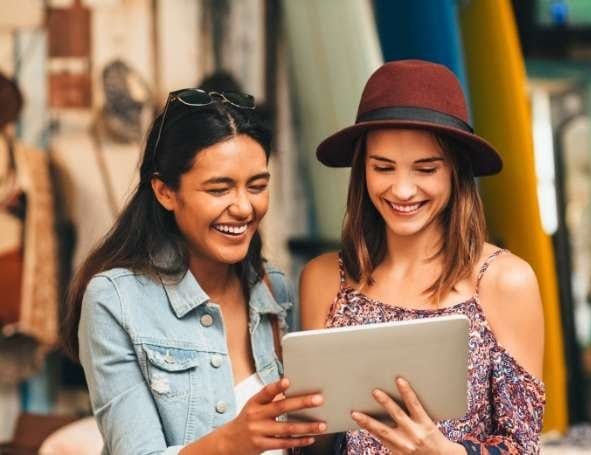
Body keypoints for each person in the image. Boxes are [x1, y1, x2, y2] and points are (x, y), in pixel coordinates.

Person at [60, 88, 326, 454]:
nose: (244, 208)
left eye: (258, 186)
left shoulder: (273, 288)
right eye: (219, 189)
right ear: (165, 192)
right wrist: (232, 442)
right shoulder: (115, 300)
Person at [300, 59, 545, 454]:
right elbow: (312, 443)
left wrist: (444, 452)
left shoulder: (504, 281)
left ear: (455, 172)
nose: (402, 189)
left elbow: (522, 445)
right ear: (362, 171)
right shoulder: (325, 277)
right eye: (383, 167)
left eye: (425, 169)